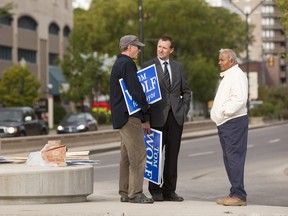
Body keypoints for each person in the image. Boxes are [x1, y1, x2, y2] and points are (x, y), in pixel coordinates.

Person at [142, 36, 191, 202]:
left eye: (164, 47)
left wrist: (183, 111)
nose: (160, 50)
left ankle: (170, 190)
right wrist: (145, 119)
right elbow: (144, 96)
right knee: (155, 156)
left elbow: (187, 91)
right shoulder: (148, 66)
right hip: (156, 118)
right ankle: (155, 190)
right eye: (158, 46)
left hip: (176, 118)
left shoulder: (178, 67)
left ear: (171, 50)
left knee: (172, 156)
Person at [109, 35, 154, 204]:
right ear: (129, 47)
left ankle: (125, 191)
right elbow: (136, 91)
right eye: (137, 47)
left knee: (126, 156)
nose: (139, 50)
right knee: (139, 155)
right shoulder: (128, 64)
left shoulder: (118, 63)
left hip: (121, 116)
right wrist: (146, 112)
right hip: (130, 117)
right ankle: (135, 193)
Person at [210, 48, 248, 206]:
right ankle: (235, 193)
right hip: (227, 123)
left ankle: (239, 196)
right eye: (219, 59)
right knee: (230, 159)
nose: (219, 62)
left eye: (222, 60)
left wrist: (225, 112)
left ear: (231, 61)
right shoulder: (229, 75)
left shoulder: (237, 75)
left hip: (233, 122)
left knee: (234, 158)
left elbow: (239, 99)